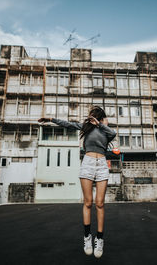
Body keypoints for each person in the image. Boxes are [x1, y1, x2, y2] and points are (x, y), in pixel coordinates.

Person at [38, 106, 116, 258]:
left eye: (93, 116)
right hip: (87, 163)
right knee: (88, 202)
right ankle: (87, 237)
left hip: (101, 164)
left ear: (98, 117)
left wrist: (100, 124)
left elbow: (113, 133)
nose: (90, 118)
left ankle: (99, 239)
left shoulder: (105, 130)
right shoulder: (85, 128)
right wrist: (49, 119)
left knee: (100, 203)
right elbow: (67, 124)